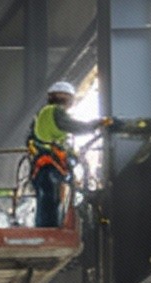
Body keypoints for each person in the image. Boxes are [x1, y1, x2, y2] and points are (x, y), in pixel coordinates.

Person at [27, 82, 99, 228]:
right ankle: (50, 234)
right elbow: (75, 127)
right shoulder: (55, 111)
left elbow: (43, 140)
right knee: (52, 203)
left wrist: (73, 156)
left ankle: (44, 232)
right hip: (49, 166)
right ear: (69, 99)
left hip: (42, 166)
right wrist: (97, 124)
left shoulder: (43, 114)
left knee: (47, 202)